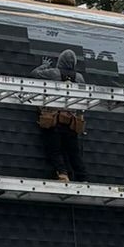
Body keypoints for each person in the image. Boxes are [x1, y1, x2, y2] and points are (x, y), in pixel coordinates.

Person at [37, 47, 88, 181]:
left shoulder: (54, 73)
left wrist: (44, 65)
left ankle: (63, 173)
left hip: (54, 120)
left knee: (55, 150)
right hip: (71, 122)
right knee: (74, 153)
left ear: (60, 61)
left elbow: (34, 74)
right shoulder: (79, 78)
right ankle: (82, 178)